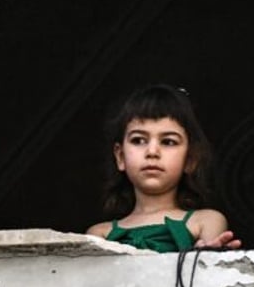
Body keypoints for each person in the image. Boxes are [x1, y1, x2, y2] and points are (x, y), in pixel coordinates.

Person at [87, 84, 241, 252]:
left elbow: (200, 274)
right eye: (138, 140)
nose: (152, 152)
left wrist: (204, 257)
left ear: (190, 159)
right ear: (120, 157)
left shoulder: (205, 221)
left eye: (168, 142)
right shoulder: (99, 234)